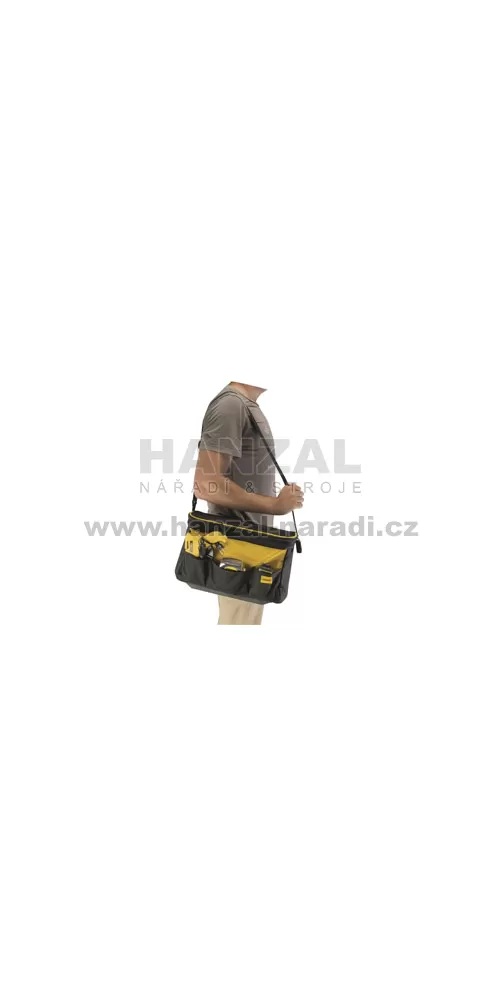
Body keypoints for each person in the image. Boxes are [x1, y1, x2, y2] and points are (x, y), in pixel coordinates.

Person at [194, 380, 304, 625]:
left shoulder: (244, 405)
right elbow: (205, 484)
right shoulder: (231, 405)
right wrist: (275, 505)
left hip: (251, 551)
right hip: (237, 553)